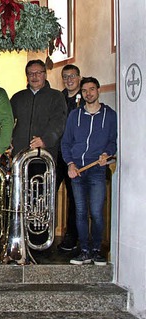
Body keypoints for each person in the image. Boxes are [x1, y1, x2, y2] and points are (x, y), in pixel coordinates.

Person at [61, 77, 117, 266]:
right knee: (80, 212)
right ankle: (84, 250)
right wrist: (70, 164)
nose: (88, 94)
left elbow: (113, 140)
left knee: (96, 212)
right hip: (77, 170)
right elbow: (66, 143)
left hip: (96, 171)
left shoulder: (110, 115)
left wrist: (107, 153)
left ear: (98, 90)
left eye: (92, 89)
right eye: (84, 91)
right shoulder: (74, 116)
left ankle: (96, 250)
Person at [10, 60, 67, 160]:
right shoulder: (17, 97)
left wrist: (45, 141)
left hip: (45, 154)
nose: (34, 76)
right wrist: (7, 141)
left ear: (45, 75)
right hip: (19, 154)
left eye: (38, 73)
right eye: (30, 73)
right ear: (26, 76)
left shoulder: (57, 96)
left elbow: (59, 123)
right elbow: (8, 121)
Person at [57, 64, 85, 252]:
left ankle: (72, 235)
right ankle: (42, 232)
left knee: (75, 199)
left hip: (76, 156)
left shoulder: (85, 99)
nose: (69, 80)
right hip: (57, 153)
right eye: (65, 76)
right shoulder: (56, 98)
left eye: (72, 76)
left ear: (79, 77)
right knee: (46, 193)